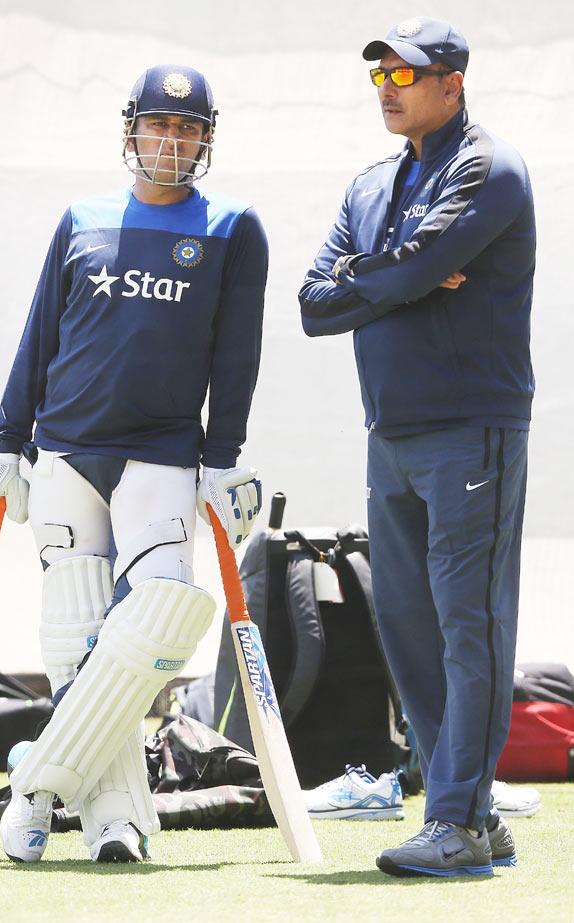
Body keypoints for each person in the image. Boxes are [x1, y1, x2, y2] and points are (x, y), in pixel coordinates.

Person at [0, 64, 267, 864]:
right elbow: (41, 336)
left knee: (165, 609)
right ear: (131, 129)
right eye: (159, 125)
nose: (172, 140)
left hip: (163, 452)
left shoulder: (234, 225)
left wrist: (223, 457)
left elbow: (237, 355)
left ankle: (34, 788)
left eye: (188, 127)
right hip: (64, 447)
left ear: (207, 137)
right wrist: (4, 442)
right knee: (73, 637)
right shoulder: (82, 218)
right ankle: (115, 825)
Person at [299, 17, 534, 878]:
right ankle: (468, 810)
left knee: (467, 625)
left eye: (408, 74)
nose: (391, 88)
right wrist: (396, 273)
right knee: (409, 628)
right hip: (389, 435)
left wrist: (383, 274)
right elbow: (311, 304)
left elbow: (375, 279)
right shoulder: (372, 183)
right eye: (380, 77)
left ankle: (458, 821)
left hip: (472, 430)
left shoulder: (489, 167)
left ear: (453, 83)